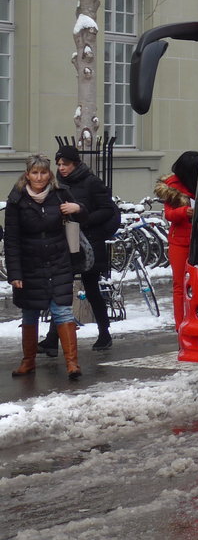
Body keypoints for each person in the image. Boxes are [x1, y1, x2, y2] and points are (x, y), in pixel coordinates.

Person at [5, 153, 88, 379]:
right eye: (35, 172)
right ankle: (28, 361)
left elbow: (83, 215)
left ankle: (72, 364)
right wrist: (15, 273)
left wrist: (77, 208)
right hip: (29, 265)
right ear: (27, 174)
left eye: (43, 172)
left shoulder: (60, 194)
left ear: (49, 174)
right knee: (30, 313)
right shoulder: (17, 200)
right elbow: (11, 240)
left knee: (62, 310)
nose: (39, 177)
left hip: (58, 262)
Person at [38, 145, 121, 357]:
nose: (61, 167)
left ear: (75, 163)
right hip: (65, 242)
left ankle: (104, 333)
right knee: (61, 290)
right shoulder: (57, 183)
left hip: (89, 245)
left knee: (92, 289)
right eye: (58, 164)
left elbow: (108, 211)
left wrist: (82, 215)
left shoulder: (91, 182)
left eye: (65, 163)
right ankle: (51, 340)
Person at [155, 151, 198, 330]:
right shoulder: (173, 187)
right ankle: (180, 324)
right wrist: (184, 212)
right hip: (180, 241)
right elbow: (169, 214)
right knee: (180, 284)